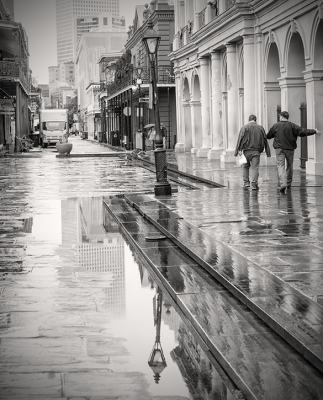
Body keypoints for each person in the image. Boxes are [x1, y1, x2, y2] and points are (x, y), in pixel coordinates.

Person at [267, 111, 321, 192]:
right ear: (287, 117)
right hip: (290, 149)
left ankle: (283, 183)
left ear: (281, 117)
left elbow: (268, 136)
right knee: (289, 165)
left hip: (279, 149)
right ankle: (288, 183)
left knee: (280, 165)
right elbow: (303, 131)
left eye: (280, 116)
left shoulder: (276, 125)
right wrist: (314, 131)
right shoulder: (292, 125)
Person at [234, 114, 271, 190]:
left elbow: (239, 139)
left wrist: (238, 150)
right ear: (255, 120)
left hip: (246, 151)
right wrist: (267, 152)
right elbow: (265, 140)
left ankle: (246, 183)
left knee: (245, 167)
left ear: (249, 120)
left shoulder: (244, 127)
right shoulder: (260, 128)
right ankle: (254, 184)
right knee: (255, 168)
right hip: (256, 151)